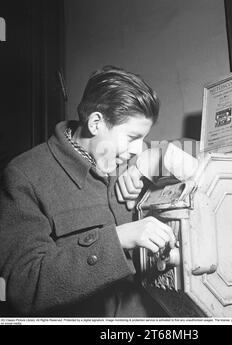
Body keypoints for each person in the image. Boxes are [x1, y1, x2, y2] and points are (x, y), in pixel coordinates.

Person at [0, 66, 175, 317]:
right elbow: (23, 287)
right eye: (132, 137)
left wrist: (147, 164)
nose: (139, 148)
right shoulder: (24, 175)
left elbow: (196, 160)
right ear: (95, 122)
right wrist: (117, 240)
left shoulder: (130, 160)